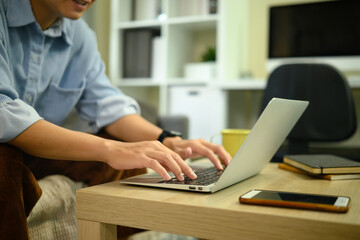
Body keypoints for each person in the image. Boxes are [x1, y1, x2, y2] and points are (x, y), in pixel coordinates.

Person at [0, 0, 231, 239]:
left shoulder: (80, 36)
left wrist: (167, 140)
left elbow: (107, 104)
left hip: (36, 154)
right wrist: (110, 148)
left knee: (136, 161)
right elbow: (3, 113)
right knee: (4, 161)